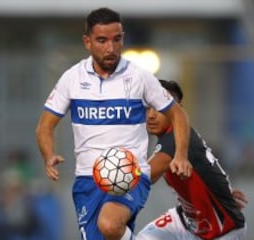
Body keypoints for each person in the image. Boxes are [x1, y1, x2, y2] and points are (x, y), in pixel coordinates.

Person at [35, 7, 192, 240]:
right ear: (87, 42)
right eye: (102, 40)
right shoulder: (72, 79)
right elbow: (45, 126)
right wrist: (48, 155)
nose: (111, 48)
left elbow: (178, 115)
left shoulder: (139, 77)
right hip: (87, 180)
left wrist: (181, 154)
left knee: (109, 225)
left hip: (130, 174)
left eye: (116, 39)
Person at [137, 80, 247, 240]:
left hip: (222, 230)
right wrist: (223, 192)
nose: (151, 115)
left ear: (175, 110)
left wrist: (110, 176)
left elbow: (147, 176)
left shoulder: (173, 138)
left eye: (159, 108)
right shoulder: (176, 135)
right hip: (187, 219)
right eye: (147, 108)